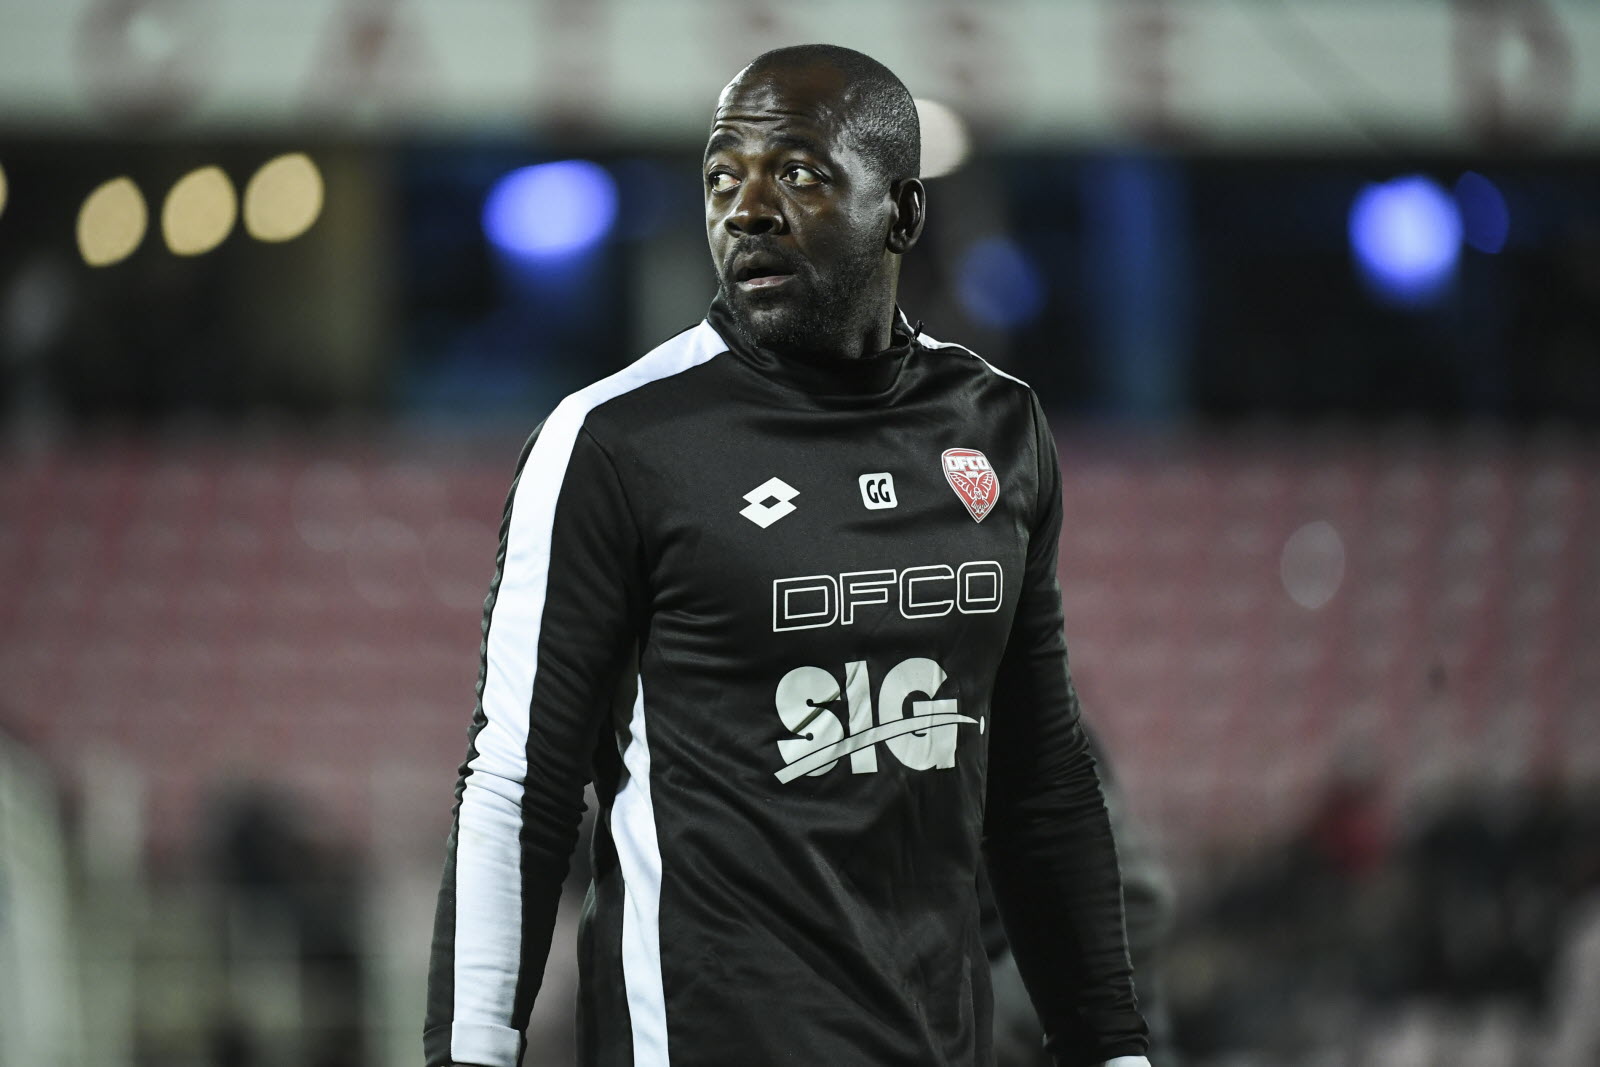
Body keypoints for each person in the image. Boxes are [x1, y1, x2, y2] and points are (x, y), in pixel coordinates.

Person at [426, 44, 1151, 1067]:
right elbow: (516, 786)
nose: (746, 208)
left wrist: (1111, 1046)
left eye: (798, 173)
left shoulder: (998, 427)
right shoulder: (612, 442)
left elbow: (1038, 783)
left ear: (901, 212)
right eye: (723, 176)